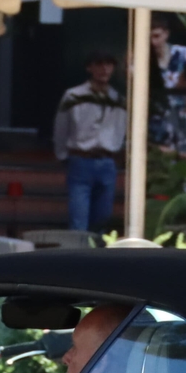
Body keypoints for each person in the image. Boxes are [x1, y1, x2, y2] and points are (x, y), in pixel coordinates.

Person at [54, 51, 127, 236]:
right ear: (90, 67)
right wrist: (62, 154)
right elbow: (61, 126)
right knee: (78, 221)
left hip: (107, 160)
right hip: (81, 158)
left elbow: (121, 128)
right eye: (99, 64)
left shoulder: (118, 99)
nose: (104, 69)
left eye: (109, 64)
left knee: (103, 222)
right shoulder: (73, 95)